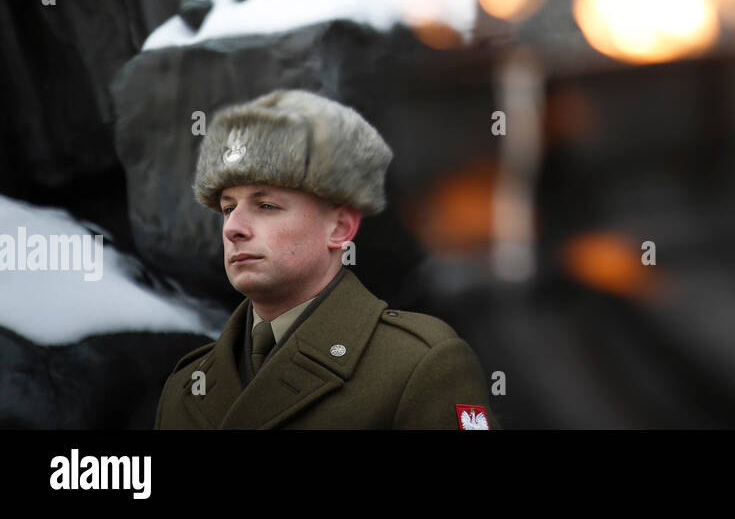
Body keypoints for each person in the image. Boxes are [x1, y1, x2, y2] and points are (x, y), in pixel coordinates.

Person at [154, 89, 499, 429]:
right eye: (228, 208)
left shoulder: (418, 363)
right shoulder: (186, 385)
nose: (234, 228)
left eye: (266, 206)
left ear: (339, 227)